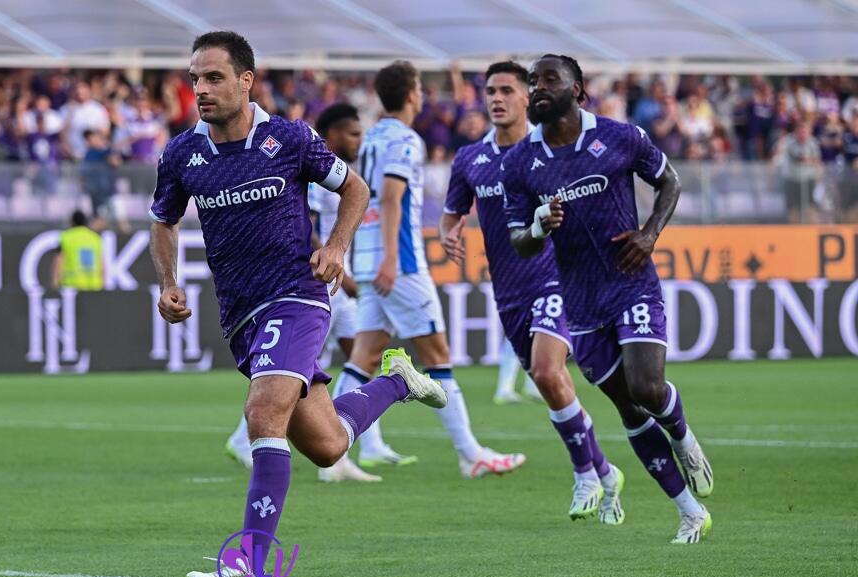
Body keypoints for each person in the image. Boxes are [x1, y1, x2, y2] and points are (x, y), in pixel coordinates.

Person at [152, 32, 446, 577]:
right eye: (194, 79)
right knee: (328, 446)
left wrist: (336, 246)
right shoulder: (182, 154)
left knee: (264, 413)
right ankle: (395, 382)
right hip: (241, 314)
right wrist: (168, 283)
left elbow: (355, 189)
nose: (201, 89)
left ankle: (250, 569)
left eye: (213, 78)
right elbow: (163, 220)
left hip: (297, 295)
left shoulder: (288, 138)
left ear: (245, 80)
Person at [503, 54, 714, 543]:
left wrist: (649, 234)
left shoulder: (619, 137)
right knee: (629, 410)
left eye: (549, 80)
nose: (538, 88)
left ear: (578, 91)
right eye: (533, 81)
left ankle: (683, 437)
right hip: (579, 303)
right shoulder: (521, 162)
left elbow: (670, 181)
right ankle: (689, 512)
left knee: (647, 386)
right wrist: (537, 225)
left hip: (631, 282)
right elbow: (520, 240)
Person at [441, 61, 624, 523]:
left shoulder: (549, 152)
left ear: (528, 97)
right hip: (509, 293)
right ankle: (604, 470)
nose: (497, 98)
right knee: (553, 387)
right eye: (490, 91)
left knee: (546, 372)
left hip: (556, 279)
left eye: (507, 90)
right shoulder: (469, 159)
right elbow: (453, 211)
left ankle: (584, 473)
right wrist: (450, 232)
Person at [345, 60, 525, 478]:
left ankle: (335, 454)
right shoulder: (406, 140)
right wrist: (392, 257)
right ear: (411, 94)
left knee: (363, 358)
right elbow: (390, 196)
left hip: (367, 259)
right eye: (420, 89)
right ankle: (470, 453)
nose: (423, 95)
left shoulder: (371, 137)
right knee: (437, 358)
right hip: (400, 265)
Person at [224, 102, 381, 484]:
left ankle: (358, 447)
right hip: (316, 282)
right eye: (353, 133)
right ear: (334, 133)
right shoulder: (306, 168)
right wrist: (328, 259)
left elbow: (354, 198)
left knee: (343, 362)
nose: (358, 140)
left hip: (329, 279)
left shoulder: (338, 173)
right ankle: (250, 438)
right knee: (319, 366)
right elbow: (300, 225)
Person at [50, 210, 103, 291]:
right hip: (93, 286)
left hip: (71, 286)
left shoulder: (66, 237)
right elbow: (101, 262)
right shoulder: (95, 238)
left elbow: (59, 259)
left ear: (72, 222)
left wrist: (55, 281)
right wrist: (102, 283)